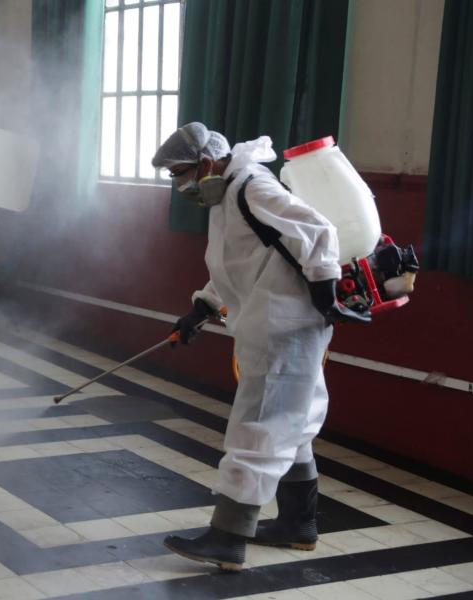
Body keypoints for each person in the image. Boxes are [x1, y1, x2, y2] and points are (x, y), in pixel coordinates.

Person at [152, 123, 369, 571]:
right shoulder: (226, 194)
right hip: (274, 324)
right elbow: (240, 263)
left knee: (259, 427)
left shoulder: (252, 187)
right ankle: (297, 525)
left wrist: (326, 290)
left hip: (284, 328)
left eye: (180, 174)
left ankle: (228, 538)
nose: (179, 186)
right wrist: (202, 307)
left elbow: (320, 231)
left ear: (207, 163)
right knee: (295, 422)